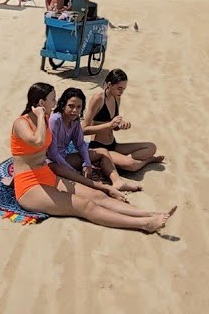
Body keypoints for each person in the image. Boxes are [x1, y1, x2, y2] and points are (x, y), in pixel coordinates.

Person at [11, 83, 175, 232]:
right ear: (41, 103)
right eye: (52, 100)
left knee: (98, 196)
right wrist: (40, 116)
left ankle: (148, 214)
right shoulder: (21, 123)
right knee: (85, 206)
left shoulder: (47, 118)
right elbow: (37, 140)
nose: (55, 104)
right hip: (29, 186)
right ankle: (145, 224)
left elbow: (78, 142)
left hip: (46, 174)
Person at [49, 88, 142, 193]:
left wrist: (87, 163)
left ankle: (117, 182)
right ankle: (101, 187)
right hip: (52, 161)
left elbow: (80, 144)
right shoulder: (55, 120)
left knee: (102, 152)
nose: (74, 110)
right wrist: (72, 170)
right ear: (63, 105)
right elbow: (53, 153)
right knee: (74, 175)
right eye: (71, 106)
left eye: (78, 107)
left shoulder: (74, 121)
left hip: (64, 157)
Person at [84, 69, 164, 172]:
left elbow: (114, 126)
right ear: (109, 84)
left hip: (113, 144)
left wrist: (121, 125)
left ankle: (124, 160)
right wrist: (109, 125)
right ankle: (146, 160)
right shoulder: (98, 99)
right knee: (132, 165)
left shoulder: (117, 97)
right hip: (99, 147)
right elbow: (83, 129)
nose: (121, 92)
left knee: (151, 147)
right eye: (119, 88)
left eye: (124, 89)